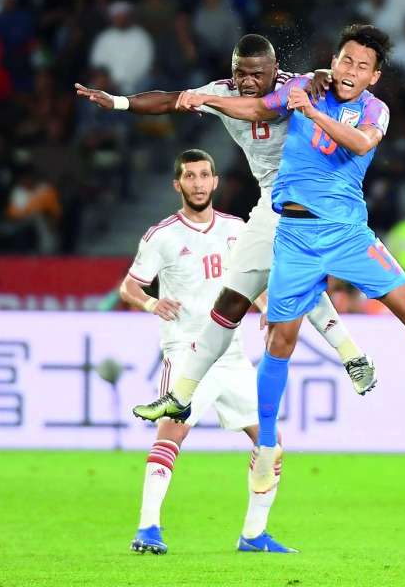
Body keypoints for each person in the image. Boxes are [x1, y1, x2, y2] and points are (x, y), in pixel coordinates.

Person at [165, 24, 405, 495]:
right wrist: (201, 99)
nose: (351, 71)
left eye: (362, 67)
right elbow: (257, 107)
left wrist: (313, 113)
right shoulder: (303, 87)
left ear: (374, 77)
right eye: (345, 61)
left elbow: (359, 144)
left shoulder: (372, 110)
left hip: (347, 234)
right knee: (279, 342)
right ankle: (267, 446)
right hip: (294, 236)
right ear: (334, 61)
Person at [75, 34, 376, 395]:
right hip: (271, 198)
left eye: (257, 75)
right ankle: (349, 354)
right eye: (241, 74)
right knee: (254, 279)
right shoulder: (221, 92)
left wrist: (322, 72)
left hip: (308, 195)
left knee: (268, 278)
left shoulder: (292, 87)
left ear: (275, 70)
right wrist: (120, 102)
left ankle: (185, 391)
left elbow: (332, 84)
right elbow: (171, 101)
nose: (248, 82)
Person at [121, 149, 294, 555]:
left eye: (204, 175)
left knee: (270, 442)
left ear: (215, 182)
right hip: (185, 350)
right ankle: (147, 529)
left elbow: (255, 279)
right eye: (189, 176)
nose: (198, 183)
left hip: (230, 353)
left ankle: (253, 535)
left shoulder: (239, 229)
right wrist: (150, 303)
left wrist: (267, 307)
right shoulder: (161, 235)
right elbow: (130, 286)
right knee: (172, 433)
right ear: (177, 184)